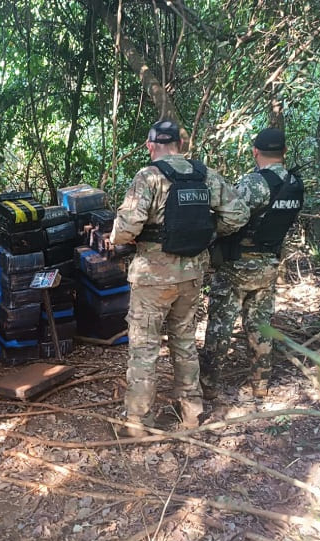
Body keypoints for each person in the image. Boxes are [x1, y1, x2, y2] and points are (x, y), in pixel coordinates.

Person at [109, 120, 249, 434]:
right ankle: (192, 412)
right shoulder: (204, 175)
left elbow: (127, 228)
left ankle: (137, 422)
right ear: (180, 146)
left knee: (145, 348)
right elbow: (238, 214)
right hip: (192, 273)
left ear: (150, 145)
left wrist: (117, 237)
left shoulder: (148, 176)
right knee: (184, 341)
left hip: (153, 278)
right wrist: (209, 235)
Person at [201, 127, 303, 399]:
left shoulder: (255, 183)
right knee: (260, 325)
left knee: (220, 325)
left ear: (255, 151)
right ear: (283, 152)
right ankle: (261, 383)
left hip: (239, 264)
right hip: (269, 264)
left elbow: (233, 216)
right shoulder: (294, 183)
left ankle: (208, 385)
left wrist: (212, 235)